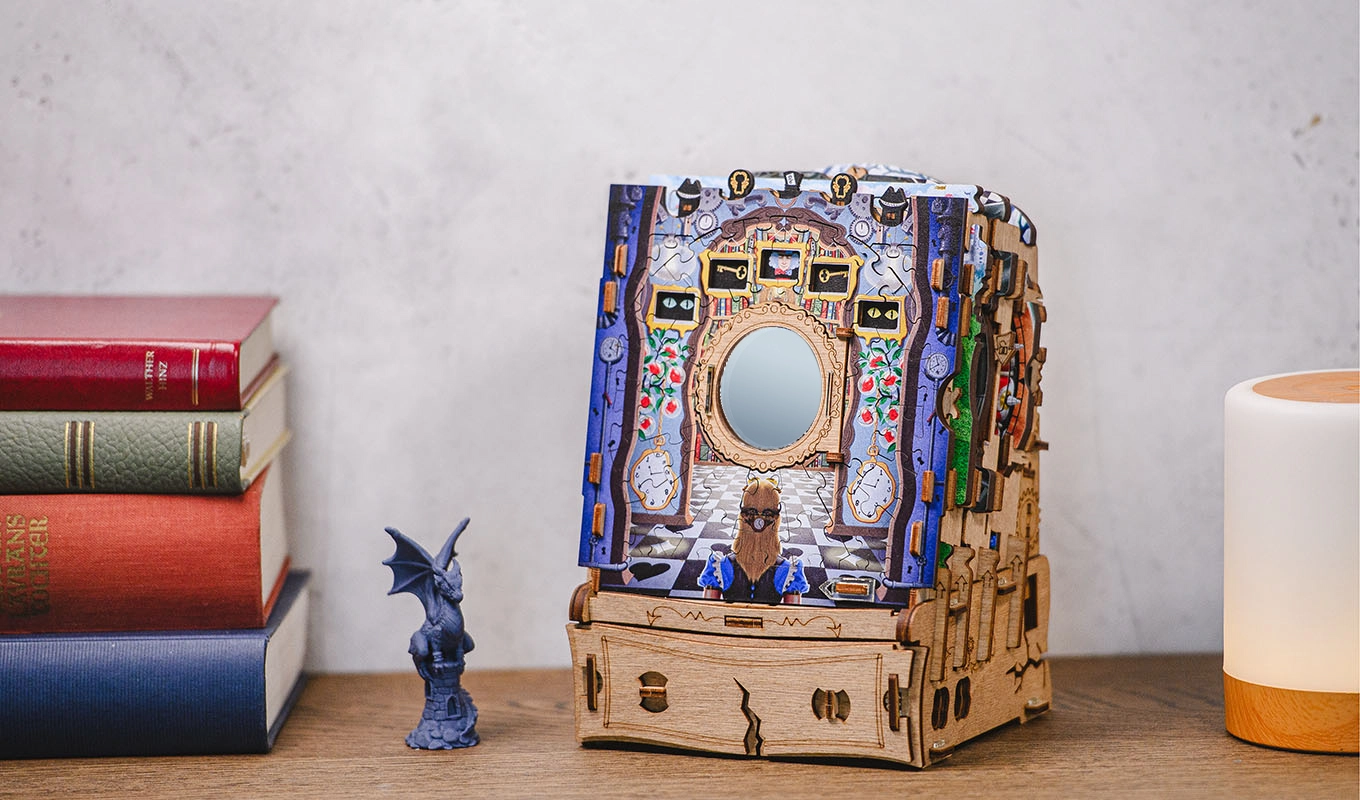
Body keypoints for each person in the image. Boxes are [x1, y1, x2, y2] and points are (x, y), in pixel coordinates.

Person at [699, 477, 807, 604]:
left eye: (766, 514)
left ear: (742, 517)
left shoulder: (720, 566)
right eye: (752, 513)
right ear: (777, 520)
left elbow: (707, 611)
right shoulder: (788, 570)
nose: (758, 519)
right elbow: (793, 614)